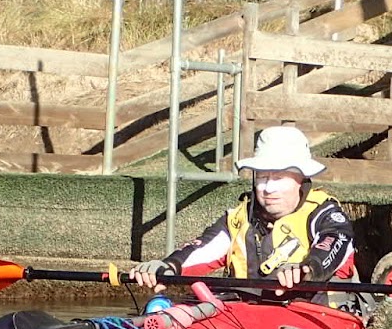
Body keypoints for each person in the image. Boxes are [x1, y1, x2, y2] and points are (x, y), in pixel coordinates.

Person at [129, 125, 360, 304]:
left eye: (278, 177)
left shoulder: (325, 215)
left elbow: (334, 242)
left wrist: (306, 269)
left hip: (308, 316)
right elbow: (202, 248)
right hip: (243, 315)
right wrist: (169, 266)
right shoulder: (238, 218)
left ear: (301, 179)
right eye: (261, 177)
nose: (268, 188)